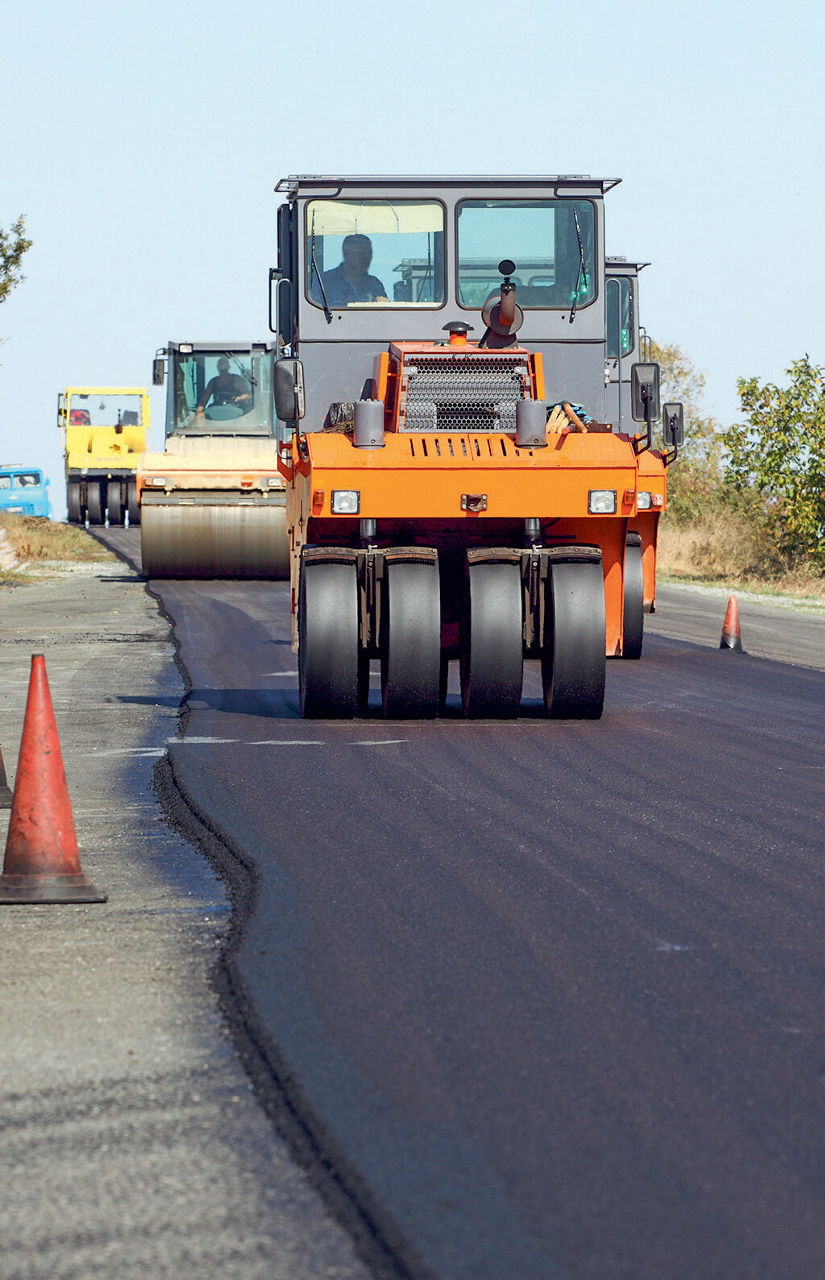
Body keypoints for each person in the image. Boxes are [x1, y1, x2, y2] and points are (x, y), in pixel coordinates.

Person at [314, 234, 388, 307]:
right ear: (346, 254)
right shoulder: (324, 282)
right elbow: (314, 312)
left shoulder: (374, 284)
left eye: (368, 253)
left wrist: (383, 303)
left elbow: (384, 313)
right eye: (360, 253)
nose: (365, 258)